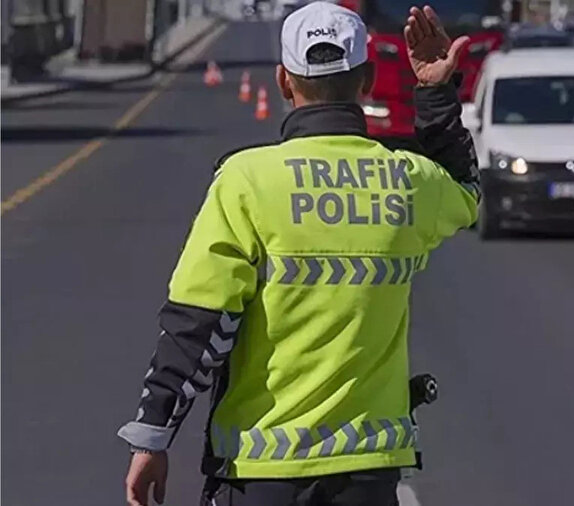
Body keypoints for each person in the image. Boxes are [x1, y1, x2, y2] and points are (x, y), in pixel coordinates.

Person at [118, 3, 478, 505]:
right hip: (368, 474)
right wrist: (435, 92)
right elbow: (465, 189)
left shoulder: (247, 181)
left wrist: (153, 435)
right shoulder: (406, 180)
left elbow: (199, 322)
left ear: (285, 81)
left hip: (258, 471)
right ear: (368, 80)